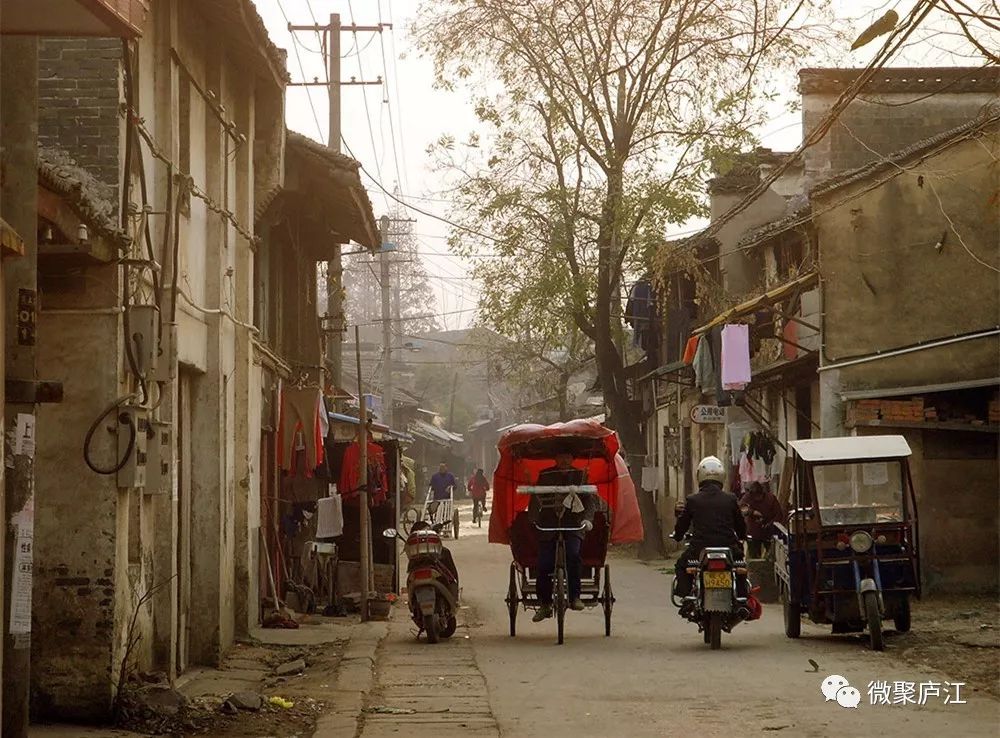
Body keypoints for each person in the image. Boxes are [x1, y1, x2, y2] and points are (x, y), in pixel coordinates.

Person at [529, 451, 596, 622]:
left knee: (573, 555)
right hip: (548, 524)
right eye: (561, 456)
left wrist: (588, 519)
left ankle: (575, 597)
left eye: (568, 456)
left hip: (573, 523)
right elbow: (535, 500)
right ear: (555, 458)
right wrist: (533, 520)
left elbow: (589, 501)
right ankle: (544, 604)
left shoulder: (580, 475)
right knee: (544, 564)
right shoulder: (545, 475)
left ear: (573, 459)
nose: (564, 460)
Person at [671, 455, 747, 602]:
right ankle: (742, 597)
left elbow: (682, 525)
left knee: (681, 565)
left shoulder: (693, 500)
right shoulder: (730, 499)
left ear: (699, 476)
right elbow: (740, 525)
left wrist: (677, 535)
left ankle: (686, 595)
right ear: (721, 477)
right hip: (729, 548)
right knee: (740, 567)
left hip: (699, 549)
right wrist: (743, 535)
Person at [739, 481, 784, 558]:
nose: (757, 498)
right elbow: (742, 508)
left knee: (771, 556)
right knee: (754, 555)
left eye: (759, 496)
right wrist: (752, 512)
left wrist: (770, 523)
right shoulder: (747, 497)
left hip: (769, 530)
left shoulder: (770, 498)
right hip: (753, 531)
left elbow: (779, 514)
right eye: (755, 496)